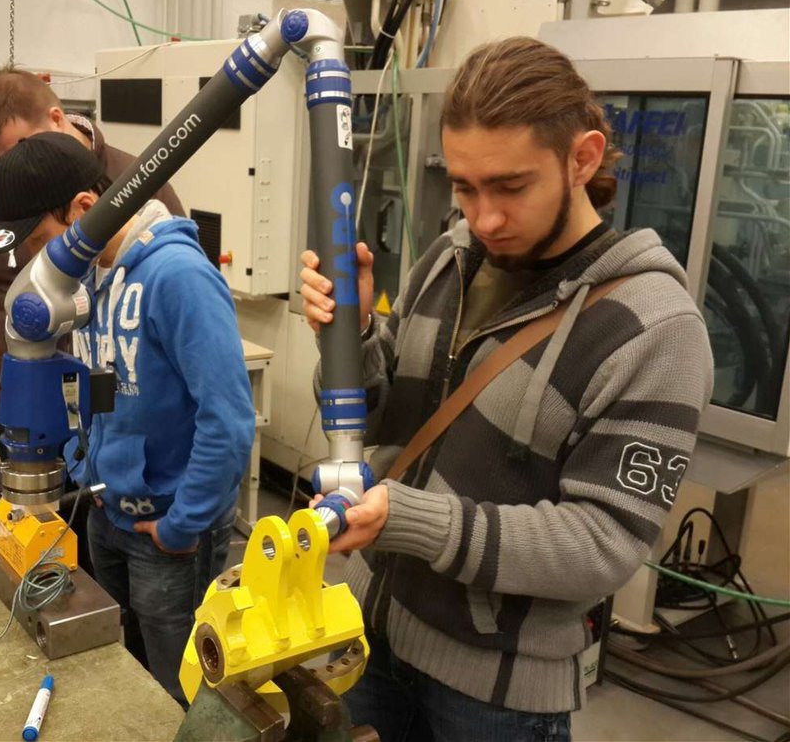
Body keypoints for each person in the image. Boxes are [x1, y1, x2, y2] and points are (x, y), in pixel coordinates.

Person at [299, 37, 713, 742]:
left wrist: (409, 519)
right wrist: (354, 335)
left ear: (583, 158)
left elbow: (603, 544)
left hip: (495, 693)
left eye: (511, 187)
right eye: (465, 187)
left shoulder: (654, 329)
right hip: (368, 634)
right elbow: (384, 416)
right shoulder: (449, 259)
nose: (484, 218)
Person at [0, 131, 256, 706]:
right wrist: (82, 466)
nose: (38, 263)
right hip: (106, 514)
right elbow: (95, 391)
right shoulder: (88, 280)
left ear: (84, 209)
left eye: (41, 241)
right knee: (120, 672)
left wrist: (183, 524)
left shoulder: (177, 276)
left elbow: (229, 420)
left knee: (176, 687)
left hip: (167, 532)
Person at [0, 69, 183, 416]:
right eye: (2, 158)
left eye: (22, 146)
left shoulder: (138, 181)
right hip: (21, 400)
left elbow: (177, 296)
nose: (16, 166)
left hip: (118, 410)